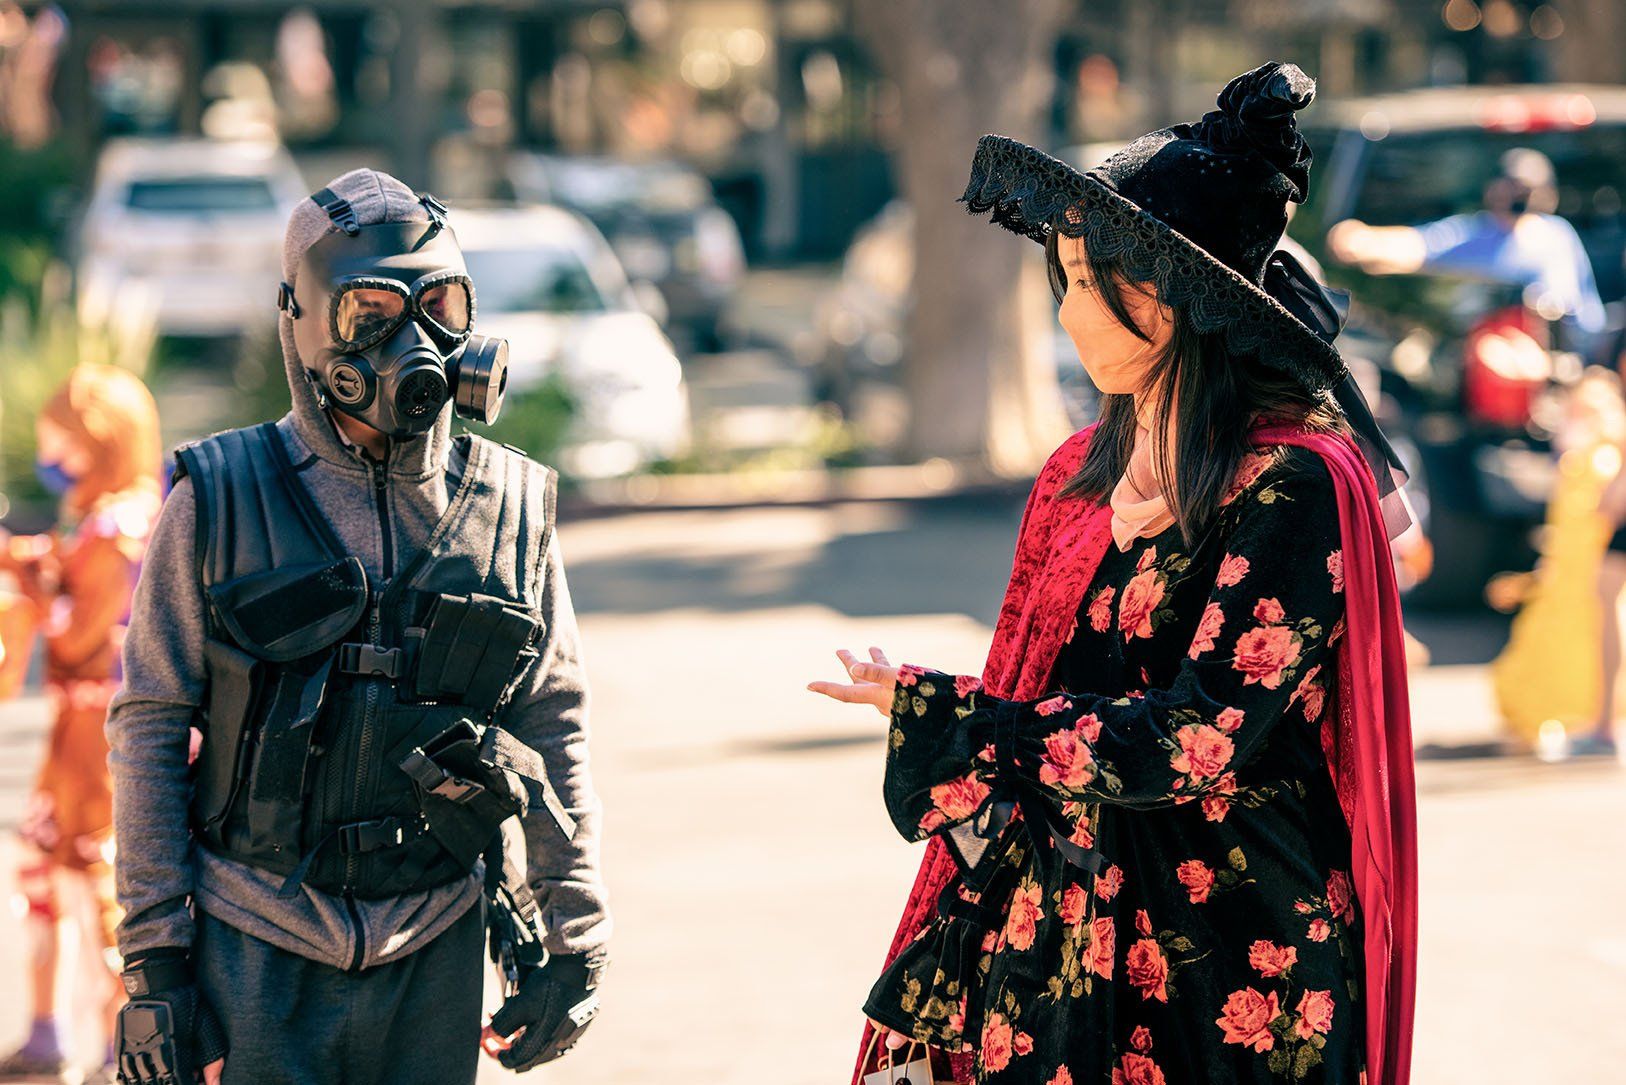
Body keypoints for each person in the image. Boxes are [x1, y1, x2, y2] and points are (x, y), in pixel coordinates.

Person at [811, 63, 1418, 1085]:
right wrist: (959, 712)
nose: (1068, 312)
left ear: (1175, 303)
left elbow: (1199, 736)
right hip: (1061, 933)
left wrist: (957, 718)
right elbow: (1039, 679)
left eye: (1095, 285)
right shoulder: (1083, 470)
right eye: (1069, 281)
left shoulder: (1295, 484)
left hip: (1229, 960)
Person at [106, 170, 610, 1085]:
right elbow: (147, 725)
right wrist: (157, 966)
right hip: (253, 949)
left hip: (438, 947)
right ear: (302, 323)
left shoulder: (513, 509)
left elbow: (553, 722)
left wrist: (576, 936)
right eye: (369, 309)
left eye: (440, 305)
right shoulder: (215, 502)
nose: (412, 340)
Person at [0, 366, 162, 1085]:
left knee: (98, 880)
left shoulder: (117, 525)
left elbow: (75, 632)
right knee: (50, 868)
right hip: (79, 728)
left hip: (100, 732)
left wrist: (32, 587)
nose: (51, 454)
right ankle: (51, 1032)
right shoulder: (101, 515)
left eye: (60, 439)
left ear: (98, 439)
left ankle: (108, 1045)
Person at [1326, 147, 1605, 357]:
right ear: (1492, 190)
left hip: (1557, 375)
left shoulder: (1559, 236)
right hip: (1481, 376)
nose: (1520, 198)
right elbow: (1418, 245)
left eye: (1528, 191)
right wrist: (1361, 239)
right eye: (1512, 188)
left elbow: (1582, 319)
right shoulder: (1474, 234)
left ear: (1549, 196)